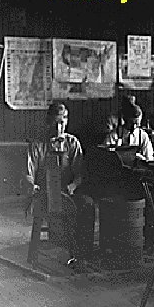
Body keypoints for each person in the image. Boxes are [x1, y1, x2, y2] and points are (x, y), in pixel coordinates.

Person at [25, 103, 95, 267]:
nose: (58, 127)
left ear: (67, 122)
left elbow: (79, 173)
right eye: (55, 123)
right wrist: (33, 186)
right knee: (50, 208)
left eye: (62, 123)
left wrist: (73, 186)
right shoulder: (37, 144)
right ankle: (58, 247)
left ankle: (83, 255)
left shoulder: (72, 143)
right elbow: (29, 173)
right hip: (44, 194)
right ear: (47, 122)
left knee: (87, 204)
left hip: (67, 193)